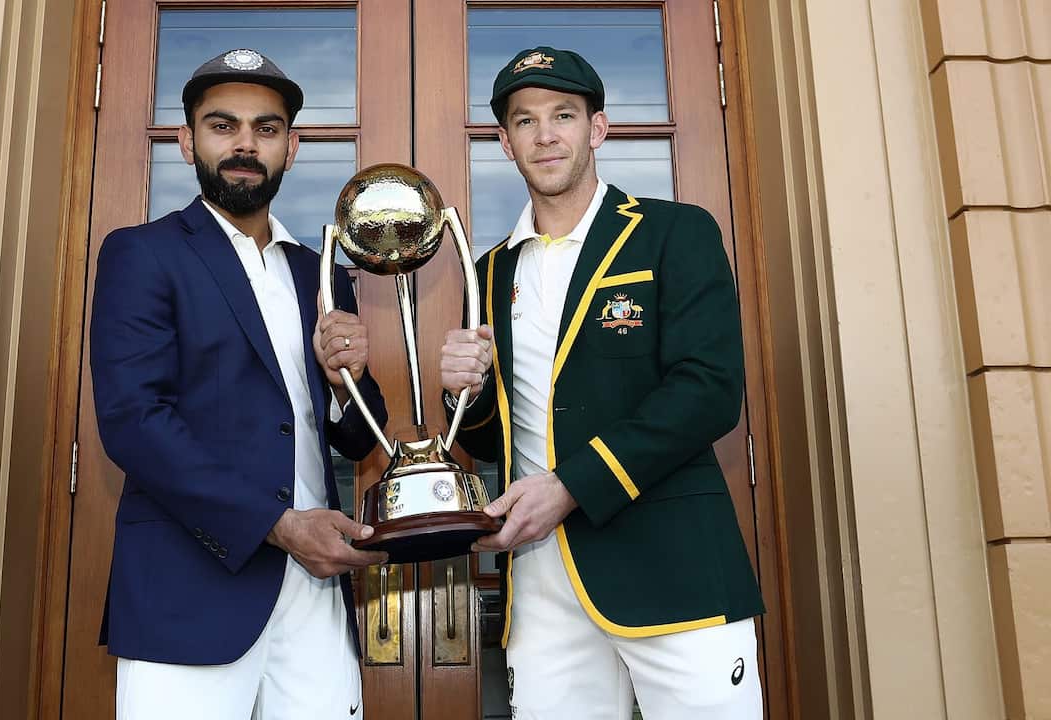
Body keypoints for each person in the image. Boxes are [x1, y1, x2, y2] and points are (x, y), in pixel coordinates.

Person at [439, 46, 764, 719]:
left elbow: (709, 389)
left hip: (673, 568)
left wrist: (570, 486)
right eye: (525, 121)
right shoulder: (489, 272)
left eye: (563, 115)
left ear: (599, 128)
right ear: (504, 142)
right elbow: (499, 436)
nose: (546, 134)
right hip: (542, 582)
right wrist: (459, 395)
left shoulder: (674, 233)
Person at [90, 48, 388, 720]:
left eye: (267, 128)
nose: (245, 144)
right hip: (187, 590)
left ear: (293, 145)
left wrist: (350, 381)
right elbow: (135, 422)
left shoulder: (322, 272)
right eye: (223, 126)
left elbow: (353, 432)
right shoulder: (142, 253)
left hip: (315, 593)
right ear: (185, 139)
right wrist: (280, 526)